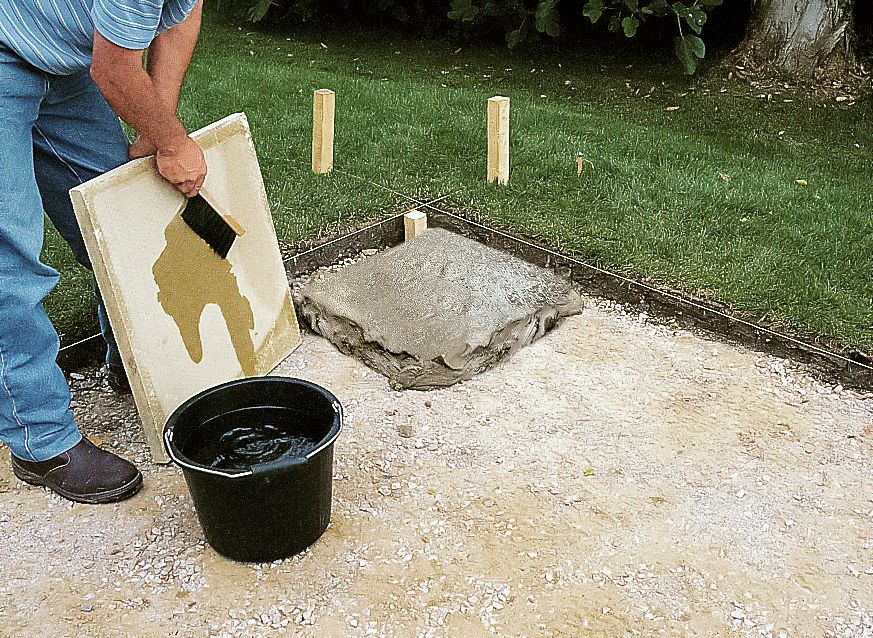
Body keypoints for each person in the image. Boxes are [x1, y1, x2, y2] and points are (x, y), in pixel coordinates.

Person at [0, 0, 208, 504]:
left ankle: (132, 358)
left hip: (60, 67)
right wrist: (174, 143)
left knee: (119, 216)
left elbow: (184, 13)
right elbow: (113, 67)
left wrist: (153, 129)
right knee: (12, 259)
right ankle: (40, 440)